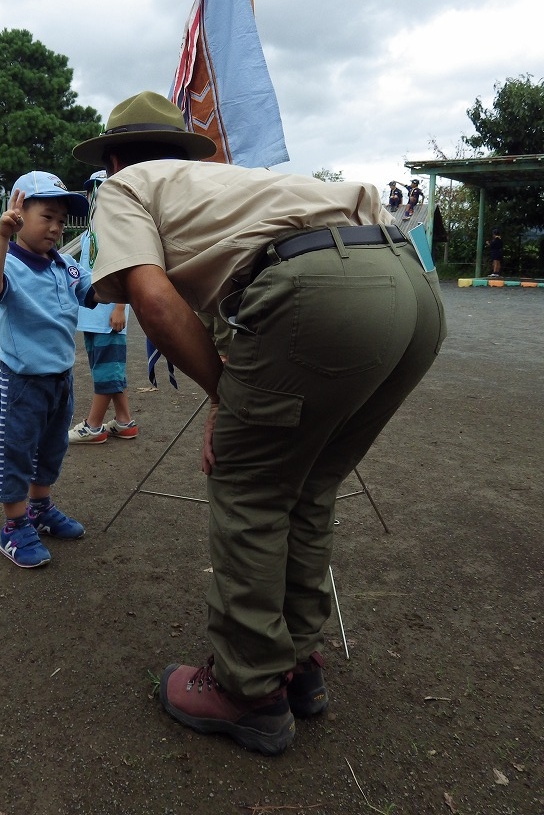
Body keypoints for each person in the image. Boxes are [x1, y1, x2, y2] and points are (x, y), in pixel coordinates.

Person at [73, 90, 446, 756]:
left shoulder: (126, 187)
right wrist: (233, 398)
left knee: (251, 489)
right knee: (310, 484)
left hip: (317, 290)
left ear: (116, 160)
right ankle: (299, 662)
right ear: (185, 151)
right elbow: (231, 309)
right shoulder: (231, 185)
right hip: (410, 284)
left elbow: (153, 300)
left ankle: (248, 691)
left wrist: (229, 396)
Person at [0, 171, 95, 569]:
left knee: (52, 447)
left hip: (61, 378)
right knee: (17, 449)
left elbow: (95, 292)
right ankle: (13, 526)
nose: (56, 227)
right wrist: (1, 236)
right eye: (47, 216)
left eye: (62, 220)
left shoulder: (65, 265)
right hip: (22, 381)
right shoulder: (10, 263)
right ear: (19, 211)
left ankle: (40, 508)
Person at [69, 170, 138, 444]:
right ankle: (124, 421)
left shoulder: (116, 229)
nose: (94, 196)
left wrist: (120, 307)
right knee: (108, 367)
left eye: (100, 190)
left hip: (109, 316)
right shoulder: (91, 231)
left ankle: (94, 426)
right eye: (91, 191)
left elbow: (126, 269)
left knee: (106, 370)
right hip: (92, 315)